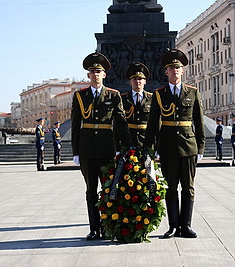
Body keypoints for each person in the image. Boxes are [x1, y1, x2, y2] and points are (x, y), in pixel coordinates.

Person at [144, 49, 205, 239]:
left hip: (188, 146)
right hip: (168, 146)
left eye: (178, 67)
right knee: (171, 188)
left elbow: (199, 121)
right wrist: (149, 148)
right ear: (166, 71)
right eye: (171, 68)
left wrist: (200, 147)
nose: (175, 71)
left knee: (188, 188)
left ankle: (185, 226)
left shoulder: (193, 93)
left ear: (183, 71)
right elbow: (153, 124)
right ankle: (172, 226)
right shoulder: (159, 95)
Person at [71, 52, 132, 241]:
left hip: (107, 148)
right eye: (92, 72)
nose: (95, 75)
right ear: (88, 75)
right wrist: (76, 152)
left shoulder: (113, 95)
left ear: (105, 75)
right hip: (87, 149)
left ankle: (107, 226)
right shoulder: (80, 96)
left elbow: (121, 123)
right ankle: (93, 228)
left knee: (107, 190)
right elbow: (75, 125)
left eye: (99, 71)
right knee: (91, 190)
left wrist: (127, 146)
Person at [115, 62, 152, 149]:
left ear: (145, 81)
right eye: (134, 79)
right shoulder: (122, 99)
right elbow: (117, 124)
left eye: (140, 79)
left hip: (146, 142)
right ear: (130, 82)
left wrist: (158, 147)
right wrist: (116, 147)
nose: (137, 81)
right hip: (128, 143)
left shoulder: (152, 99)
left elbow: (157, 125)